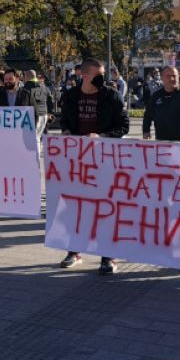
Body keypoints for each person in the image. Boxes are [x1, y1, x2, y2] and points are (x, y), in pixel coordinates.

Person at [58, 58, 129, 275]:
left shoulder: (111, 96)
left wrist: (102, 136)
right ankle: (74, 250)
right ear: (84, 75)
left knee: (105, 208)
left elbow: (124, 126)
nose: (103, 79)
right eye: (98, 75)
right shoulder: (70, 96)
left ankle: (108, 256)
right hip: (77, 161)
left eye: (103, 75)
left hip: (104, 160)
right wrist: (67, 132)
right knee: (75, 207)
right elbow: (64, 121)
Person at [0, 68, 48, 138]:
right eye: (6, 79)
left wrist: (31, 131)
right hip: (4, 134)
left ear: (17, 79)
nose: (7, 81)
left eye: (10, 79)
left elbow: (35, 113)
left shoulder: (26, 94)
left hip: (23, 134)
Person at [141, 65, 180, 142]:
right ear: (162, 78)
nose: (172, 79)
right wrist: (146, 130)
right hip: (161, 140)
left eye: (174, 76)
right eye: (168, 76)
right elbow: (148, 115)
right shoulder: (156, 96)